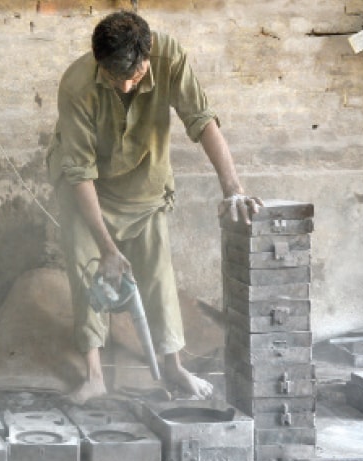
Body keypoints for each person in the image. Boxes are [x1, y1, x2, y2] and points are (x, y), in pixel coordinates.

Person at [46, 11, 262, 404]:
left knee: (158, 274)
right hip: (88, 190)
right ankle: (95, 376)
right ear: (100, 63)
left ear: (148, 54)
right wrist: (108, 249)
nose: (126, 85)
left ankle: (174, 368)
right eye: (115, 78)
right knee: (89, 272)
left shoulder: (169, 58)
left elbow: (202, 120)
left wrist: (233, 188)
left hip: (146, 182)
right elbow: (78, 172)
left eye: (135, 75)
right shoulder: (76, 86)